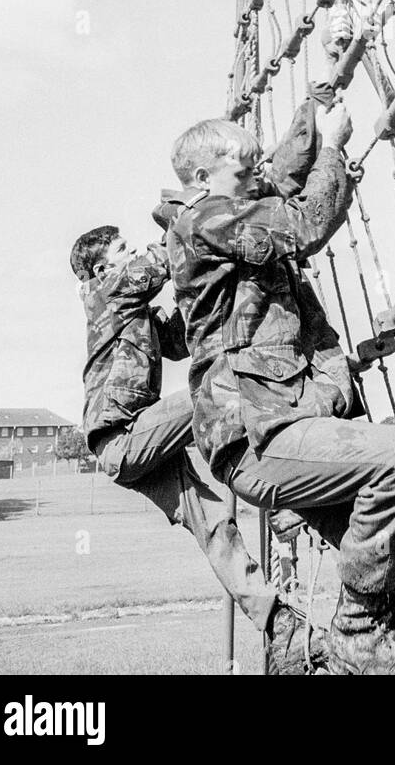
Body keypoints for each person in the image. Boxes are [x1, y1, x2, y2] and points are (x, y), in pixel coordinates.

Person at [166, 103, 395, 675]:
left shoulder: (235, 209)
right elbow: (304, 223)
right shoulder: (203, 219)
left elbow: (278, 176)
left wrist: (320, 95)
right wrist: (330, 147)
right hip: (259, 438)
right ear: (203, 178)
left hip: (301, 429)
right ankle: (355, 626)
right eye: (242, 171)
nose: (256, 178)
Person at [70, 223, 324, 672]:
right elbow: (160, 264)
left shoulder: (135, 311)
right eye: (123, 249)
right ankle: (286, 489)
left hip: (143, 445)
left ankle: (278, 626)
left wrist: (226, 286)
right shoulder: (104, 291)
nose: (132, 254)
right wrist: (195, 225)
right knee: (210, 393)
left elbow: (183, 338)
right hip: (122, 437)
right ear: (104, 266)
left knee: (215, 527)